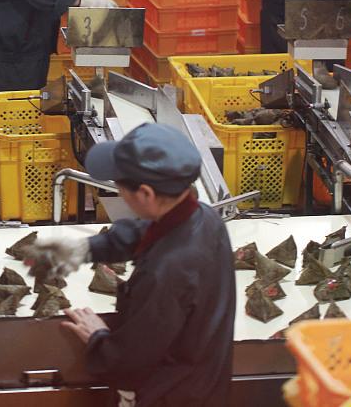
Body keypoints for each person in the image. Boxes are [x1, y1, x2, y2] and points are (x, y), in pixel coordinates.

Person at [25, 124, 235, 407]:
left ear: (146, 194)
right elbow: (146, 231)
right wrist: (85, 248)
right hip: (205, 382)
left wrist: (98, 336)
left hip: (171, 397)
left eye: (120, 185)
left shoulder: (165, 273)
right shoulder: (205, 217)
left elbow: (127, 361)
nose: (119, 192)